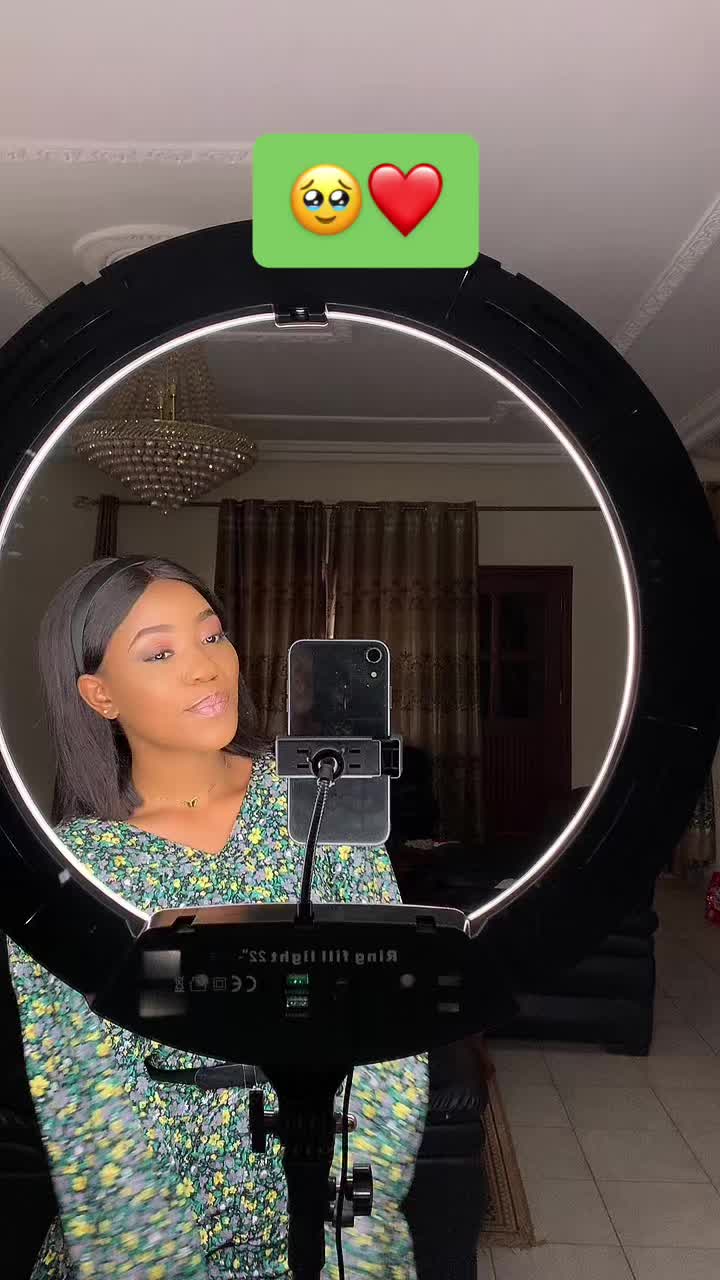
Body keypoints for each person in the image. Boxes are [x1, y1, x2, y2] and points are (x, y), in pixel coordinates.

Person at [7, 556, 429, 1280]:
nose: (207, 668)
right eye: (160, 653)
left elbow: (395, 1022)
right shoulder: (69, 872)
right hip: (156, 1235)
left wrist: (355, 1236)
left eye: (212, 636)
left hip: (324, 1221)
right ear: (100, 694)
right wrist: (153, 1261)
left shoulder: (318, 801)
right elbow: (79, 1090)